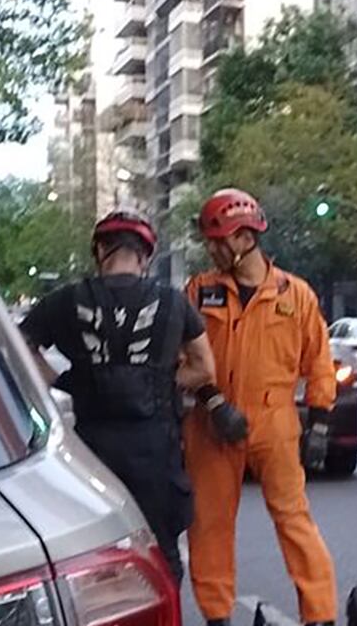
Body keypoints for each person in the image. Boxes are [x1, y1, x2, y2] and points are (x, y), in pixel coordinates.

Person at [184, 187, 341, 626]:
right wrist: (213, 402)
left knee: (294, 519)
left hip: (274, 420)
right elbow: (183, 354)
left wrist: (319, 424)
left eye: (217, 239)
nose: (211, 249)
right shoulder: (199, 291)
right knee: (209, 523)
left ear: (244, 237)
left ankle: (320, 618)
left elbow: (319, 363)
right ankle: (217, 617)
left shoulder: (296, 295)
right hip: (213, 419)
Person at [22, 208, 214, 577]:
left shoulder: (64, 300)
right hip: (156, 451)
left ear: (99, 251)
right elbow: (204, 367)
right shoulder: (174, 303)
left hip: (89, 450)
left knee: (94, 554)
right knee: (161, 553)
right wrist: (163, 381)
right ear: (145, 256)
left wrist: (60, 384)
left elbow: (16, 347)